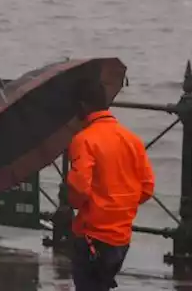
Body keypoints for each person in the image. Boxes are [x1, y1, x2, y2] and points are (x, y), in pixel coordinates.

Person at [65, 75, 155, 290]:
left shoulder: (84, 140)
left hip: (91, 237)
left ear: (82, 106)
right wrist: (118, 207)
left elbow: (79, 189)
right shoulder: (131, 139)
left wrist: (72, 196)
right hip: (121, 238)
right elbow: (147, 187)